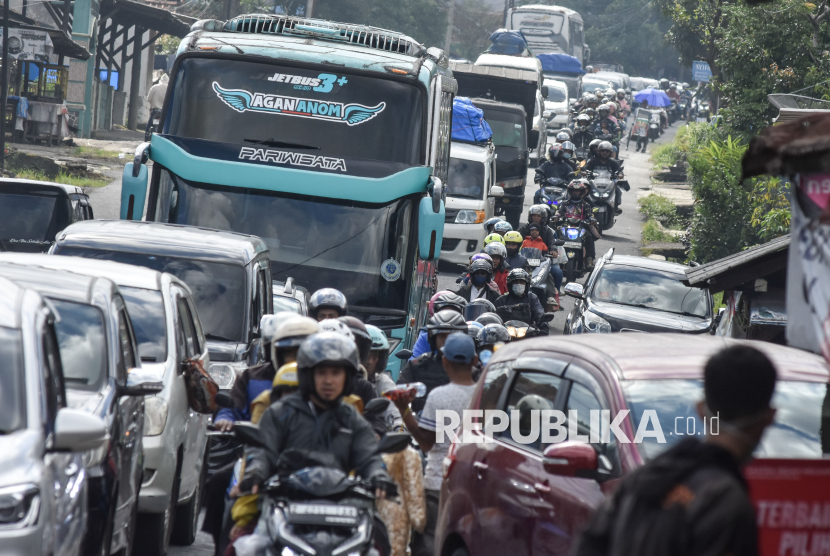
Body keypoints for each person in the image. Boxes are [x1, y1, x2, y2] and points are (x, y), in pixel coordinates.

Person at [573, 345, 778, 556]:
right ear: (770, 417)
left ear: (701, 410)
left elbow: (590, 544)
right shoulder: (726, 501)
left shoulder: (644, 478)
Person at [241, 332, 394, 496]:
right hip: (285, 499)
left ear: (347, 377)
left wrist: (378, 475)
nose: (328, 381)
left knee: (378, 522)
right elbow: (263, 451)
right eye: (321, 372)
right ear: (308, 375)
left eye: (336, 373)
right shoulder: (281, 412)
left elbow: (369, 456)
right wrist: (256, 472)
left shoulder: (352, 418)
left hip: (342, 503)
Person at [392, 333, 479, 556]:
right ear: (475, 361)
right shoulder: (486, 397)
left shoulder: (439, 396)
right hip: (473, 486)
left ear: (445, 362)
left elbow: (426, 443)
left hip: (438, 483)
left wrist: (404, 411)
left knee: (429, 542)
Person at [397, 311, 468, 413]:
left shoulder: (471, 371)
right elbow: (397, 402)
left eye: (451, 336)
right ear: (433, 339)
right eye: (442, 336)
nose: (446, 341)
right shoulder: (416, 367)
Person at [555, 179, 601, 268]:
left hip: (581, 227)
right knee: (555, 234)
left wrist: (592, 219)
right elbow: (559, 212)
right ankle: (552, 256)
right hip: (566, 226)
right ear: (570, 191)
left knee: (589, 237)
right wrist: (556, 216)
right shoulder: (565, 203)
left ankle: (589, 260)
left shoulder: (586, 205)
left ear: (582, 192)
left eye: (578, 191)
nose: (576, 193)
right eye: (574, 191)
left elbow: (589, 214)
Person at [410, 292, 466, 360]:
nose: (446, 341)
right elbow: (414, 361)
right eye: (442, 336)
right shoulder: (425, 338)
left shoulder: (468, 339)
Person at [339, 316, 380, 407]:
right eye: (321, 372)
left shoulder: (364, 386)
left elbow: (376, 419)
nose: (329, 381)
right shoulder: (309, 382)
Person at [494, 268, 549, 334]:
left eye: (521, 282)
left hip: (528, 335)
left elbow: (539, 312)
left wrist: (543, 325)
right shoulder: (501, 300)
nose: (518, 284)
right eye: (515, 282)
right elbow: (494, 318)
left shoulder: (532, 298)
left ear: (527, 285)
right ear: (509, 285)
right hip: (506, 335)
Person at [585, 141, 628, 214]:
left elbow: (619, 170)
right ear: (599, 151)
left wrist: (620, 174)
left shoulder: (613, 162)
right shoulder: (592, 161)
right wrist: (584, 172)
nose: (605, 152)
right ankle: (584, 206)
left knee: (617, 189)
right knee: (584, 188)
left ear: (610, 153)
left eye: (607, 151)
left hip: (609, 183)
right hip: (594, 183)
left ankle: (616, 207)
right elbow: (585, 169)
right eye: (603, 151)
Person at [365, 324, 396, 396]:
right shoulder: (345, 380)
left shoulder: (383, 382)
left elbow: (393, 404)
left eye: (375, 356)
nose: (370, 361)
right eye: (366, 355)